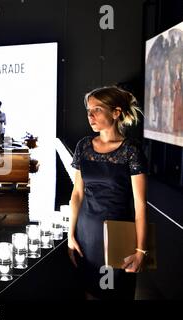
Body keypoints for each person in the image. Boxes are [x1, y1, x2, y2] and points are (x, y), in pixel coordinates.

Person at [68, 86, 148, 300]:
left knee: (115, 293)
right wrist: (70, 234)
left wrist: (141, 251)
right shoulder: (83, 146)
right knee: (90, 292)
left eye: (97, 109)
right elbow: (77, 194)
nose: (90, 115)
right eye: (88, 110)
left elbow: (140, 205)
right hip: (87, 235)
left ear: (116, 112)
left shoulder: (131, 150)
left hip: (118, 236)